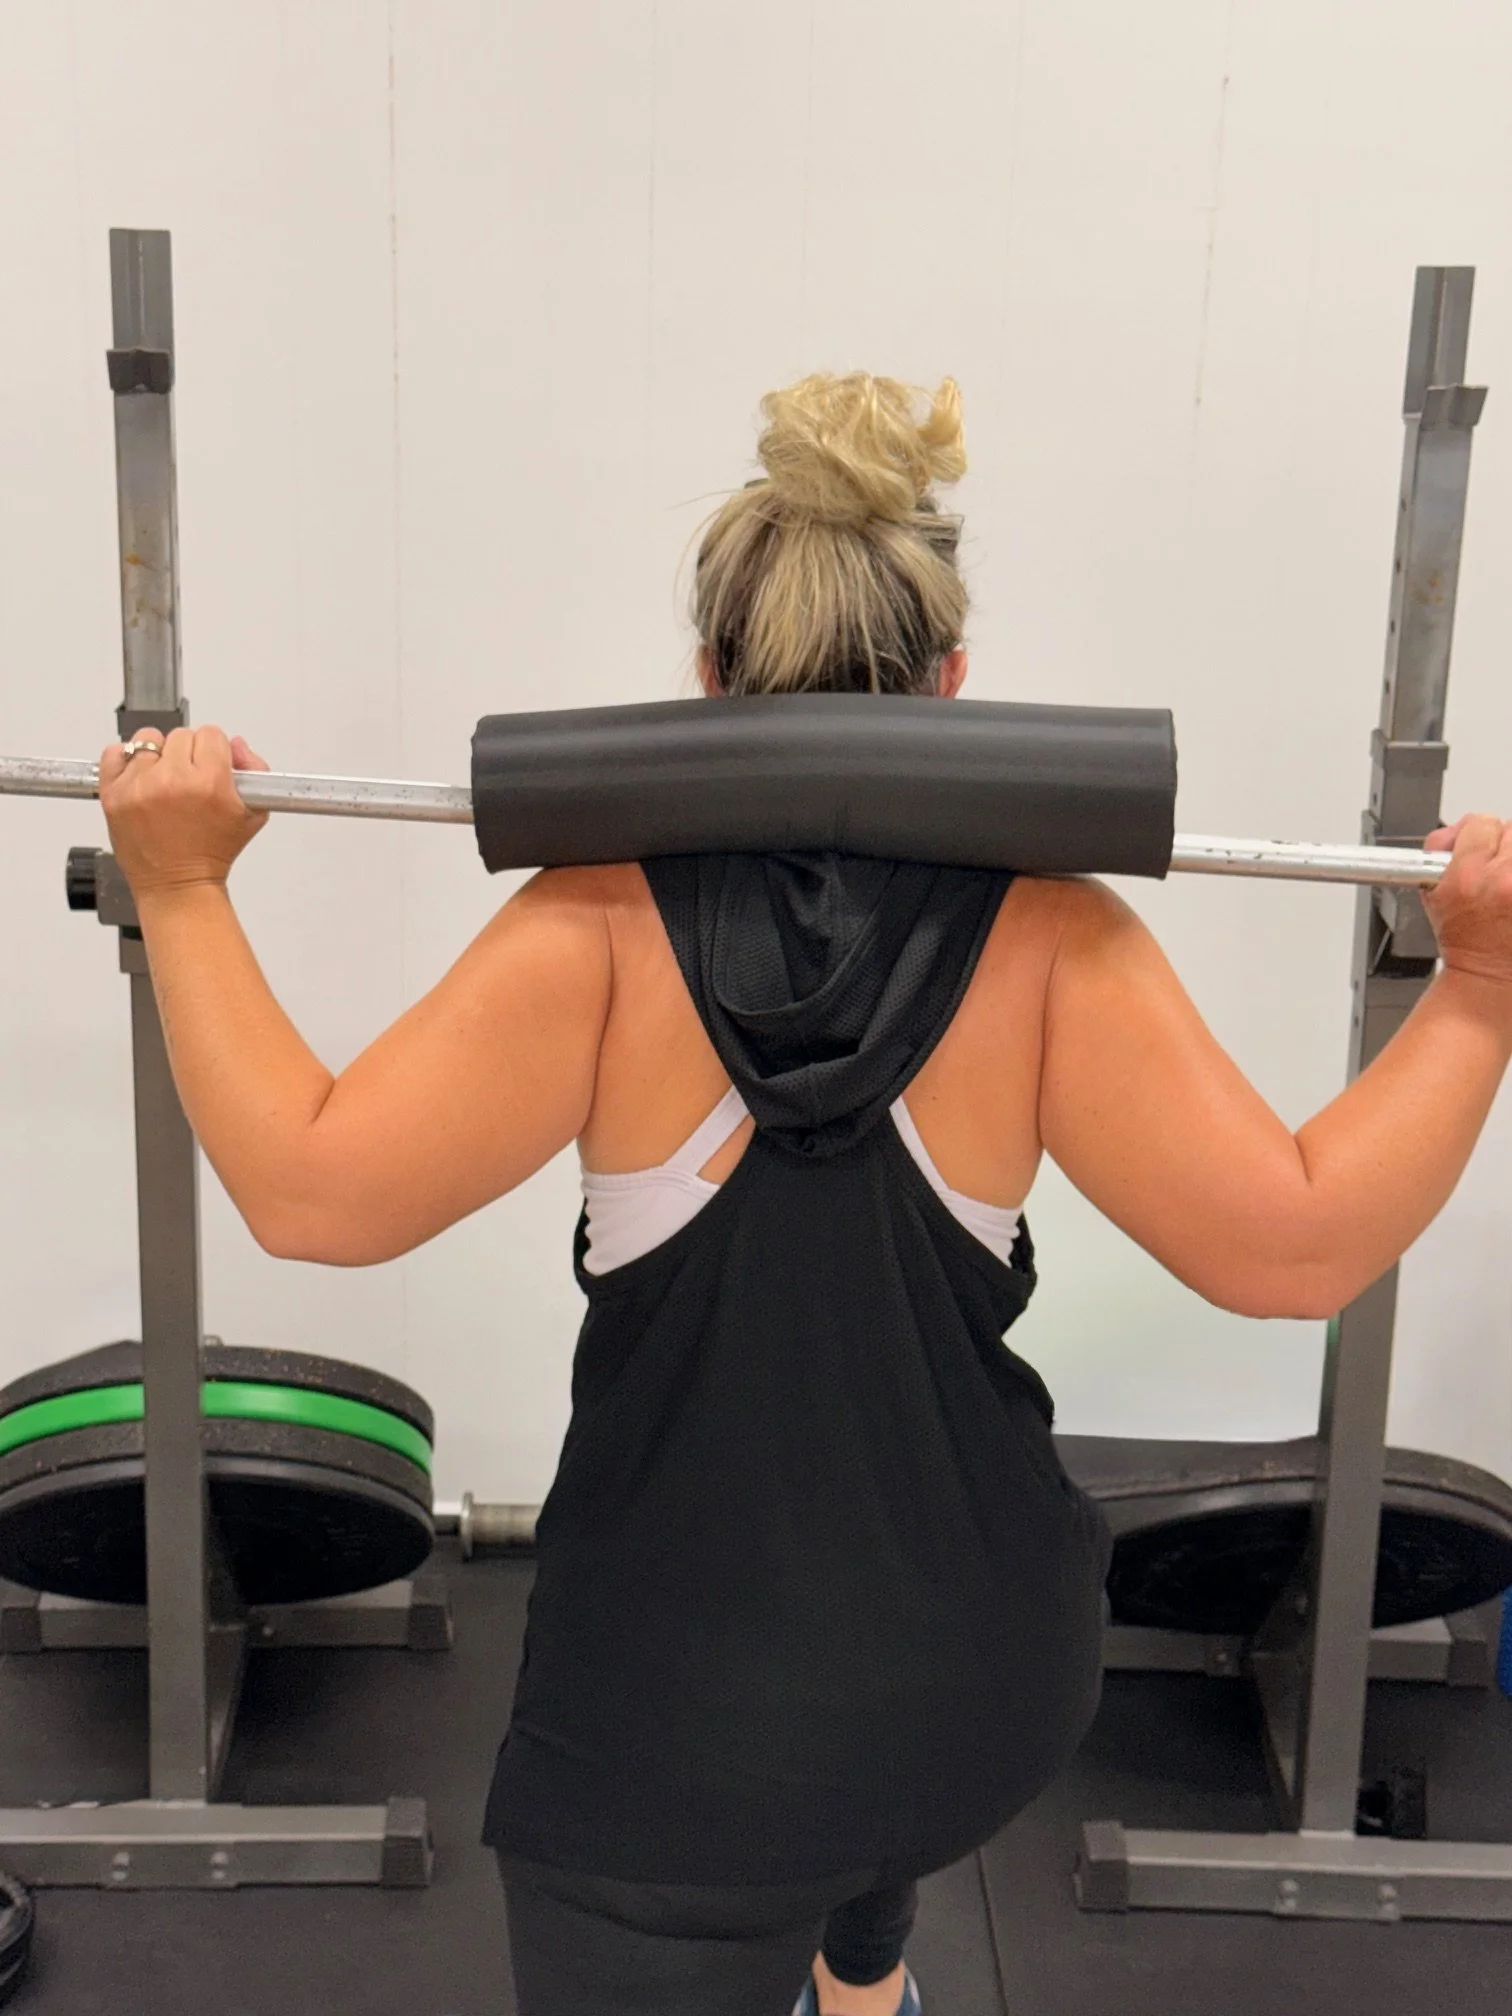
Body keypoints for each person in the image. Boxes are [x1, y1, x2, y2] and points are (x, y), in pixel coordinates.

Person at [96, 373, 1512, 2016]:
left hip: (671, 1759)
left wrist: (183, 886)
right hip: (973, 1689)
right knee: (869, 1668)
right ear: (956, 684)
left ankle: (832, 1953)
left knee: (766, 1719)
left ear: (705, 687)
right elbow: (1301, 1245)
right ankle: (860, 1976)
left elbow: (312, 1191)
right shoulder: (1055, 938)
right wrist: (1478, 985)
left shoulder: (601, 921)